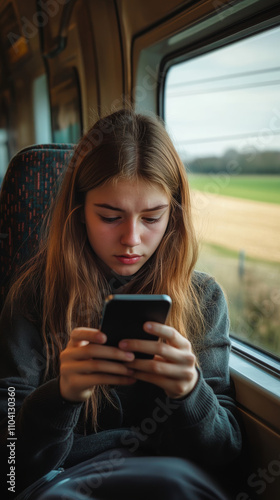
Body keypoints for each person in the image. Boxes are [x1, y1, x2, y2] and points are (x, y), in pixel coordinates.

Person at [0, 109, 243, 500]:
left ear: (174, 216)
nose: (132, 239)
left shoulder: (203, 300)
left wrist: (190, 391)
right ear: (79, 214)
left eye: (152, 217)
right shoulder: (31, 297)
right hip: (65, 478)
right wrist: (61, 397)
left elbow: (224, 455)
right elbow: (9, 464)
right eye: (110, 216)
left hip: (171, 478)